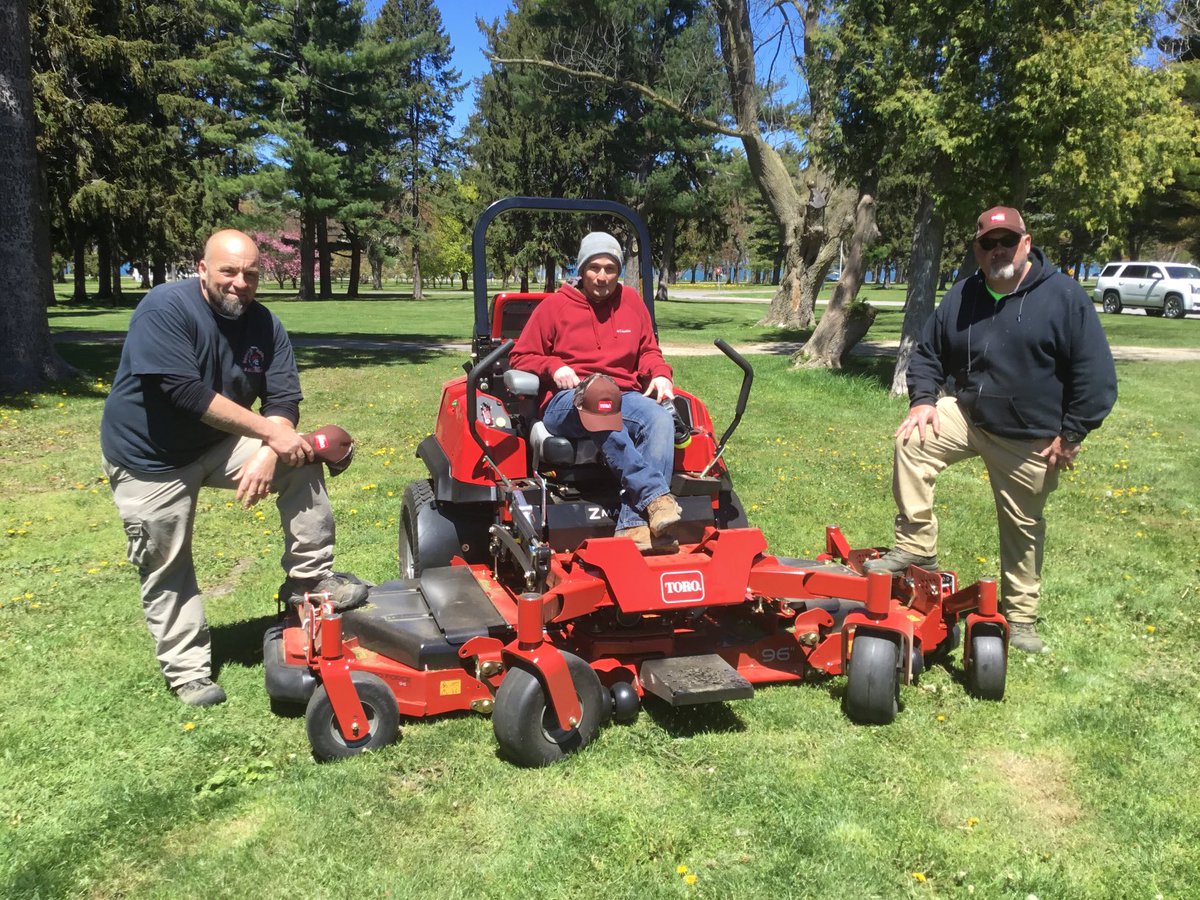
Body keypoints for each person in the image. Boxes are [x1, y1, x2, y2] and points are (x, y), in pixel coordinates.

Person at [100, 229, 367, 707]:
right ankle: (188, 672)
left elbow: (283, 400)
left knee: (299, 459)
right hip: (150, 457)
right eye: (228, 271)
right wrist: (268, 434)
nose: (240, 283)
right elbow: (185, 393)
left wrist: (270, 450)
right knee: (165, 561)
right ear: (202, 269)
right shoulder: (164, 309)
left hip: (220, 442)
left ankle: (308, 581)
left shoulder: (264, 324)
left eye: (251, 274)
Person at [864, 206, 1117, 653]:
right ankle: (917, 547)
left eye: (1007, 241)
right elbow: (928, 353)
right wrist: (922, 401)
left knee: (1023, 527)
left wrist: (1073, 433)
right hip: (969, 417)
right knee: (913, 438)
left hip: (1029, 436)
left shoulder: (1063, 296)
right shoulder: (964, 293)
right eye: (988, 243)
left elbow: (1096, 376)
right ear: (978, 249)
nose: (998, 249)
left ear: (1026, 243)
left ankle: (1020, 617)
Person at [511, 231, 681, 552]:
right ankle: (655, 496)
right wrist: (553, 366)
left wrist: (660, 374)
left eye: (610, 269)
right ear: (581, 269)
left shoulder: (631, 303)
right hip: (567, 400)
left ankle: (633, 526)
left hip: (623, 395)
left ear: (618, 271)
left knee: (658, 417)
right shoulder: (554, 307)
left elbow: (648, 351)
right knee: (599, 397)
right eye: (594, 268)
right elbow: (521, 356)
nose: (602, 277)